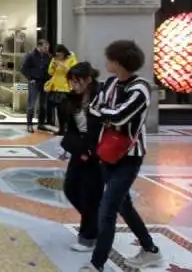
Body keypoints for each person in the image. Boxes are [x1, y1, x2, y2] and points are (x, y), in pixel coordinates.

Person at [80, 40, 161, 272]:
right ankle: (150, 250)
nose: (106, 62)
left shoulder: (141, 88)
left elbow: (119, 116)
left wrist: (106, 114)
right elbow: (93, 109)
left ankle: (97, 264)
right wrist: (107, 114)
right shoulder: (110, 83)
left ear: (118, 62)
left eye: (109, 59)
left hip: (129, 156)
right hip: (107, 152)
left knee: (107, 210)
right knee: (123, 206)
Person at [60, 62, 104, 253]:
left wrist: (92, 151)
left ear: (88, 80)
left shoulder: (101, 97)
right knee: (70, 187)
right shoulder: (73, 99)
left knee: (91, 195)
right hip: (79, 148)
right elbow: (72, 127)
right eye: (71, 82)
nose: (73, 85)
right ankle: (95, 222)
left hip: (97, 151)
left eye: (77, 82)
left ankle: (88, 237)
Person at [45, 44, 77, 135]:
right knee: (58, 110)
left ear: (64, 53)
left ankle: (68, 129)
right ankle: (61, 129)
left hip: (66, 88)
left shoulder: (71, 59)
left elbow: (73, 72)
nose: (58, 56)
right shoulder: (55, 59)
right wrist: (53, 65)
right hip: (56, 87)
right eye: (57, 54)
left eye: (60, 54)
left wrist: (63, 65)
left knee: (65, 110)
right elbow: (50, 72)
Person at [21, 39, 51, 133]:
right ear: (39, 46)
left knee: (43, 104)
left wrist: (48, 79)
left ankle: (41, 124)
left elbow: (48, 69)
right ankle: (29, 125)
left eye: (47, 47)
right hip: (34, 82)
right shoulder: (30, 55)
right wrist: (30, 78)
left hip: (44, 82)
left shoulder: (47, 56)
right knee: (31, 104)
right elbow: (23, 69)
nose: (47, 49)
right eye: (45, 47)